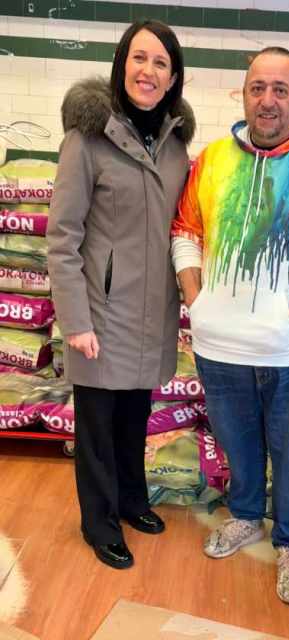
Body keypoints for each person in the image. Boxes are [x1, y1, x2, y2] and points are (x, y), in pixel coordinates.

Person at [171, 47, 289, 603]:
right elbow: (185, 232)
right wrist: (196, 302)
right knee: (237, 444)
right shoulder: (211, 160)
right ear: (243, 94)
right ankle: (246, 516)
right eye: (258, 88)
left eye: (281, 89)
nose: (268, 100)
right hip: (219, 349)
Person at [47, 19, 195, 570]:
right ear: (121, 64)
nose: (147, 71)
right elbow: (62, 238)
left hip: (152, 311)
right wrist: (76, 320)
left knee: (136, 417)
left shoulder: (176, 146)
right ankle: (100, 522)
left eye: (160, 62)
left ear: (173, 77)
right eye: (138, 58)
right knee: (97, 429)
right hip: (101, 314)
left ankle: (133, 500)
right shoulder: (87, 140)